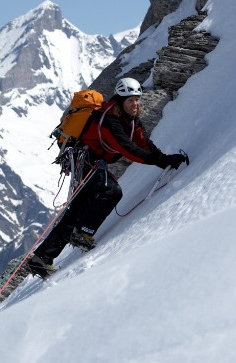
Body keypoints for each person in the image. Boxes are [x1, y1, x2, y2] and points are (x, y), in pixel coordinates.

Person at [28, 77, 187, 278]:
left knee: (80, 207)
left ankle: (41, 259)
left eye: (137, 99)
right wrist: (162, 162)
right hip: (85, 159)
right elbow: (128, 149)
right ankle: (82, 233)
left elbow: (144, 143)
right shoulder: (110, 121)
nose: (136, 104)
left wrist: (164, 158)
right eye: (131, 100)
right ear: (120, 101)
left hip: (88, 160)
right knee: (111, 191)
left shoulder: (129, 119)